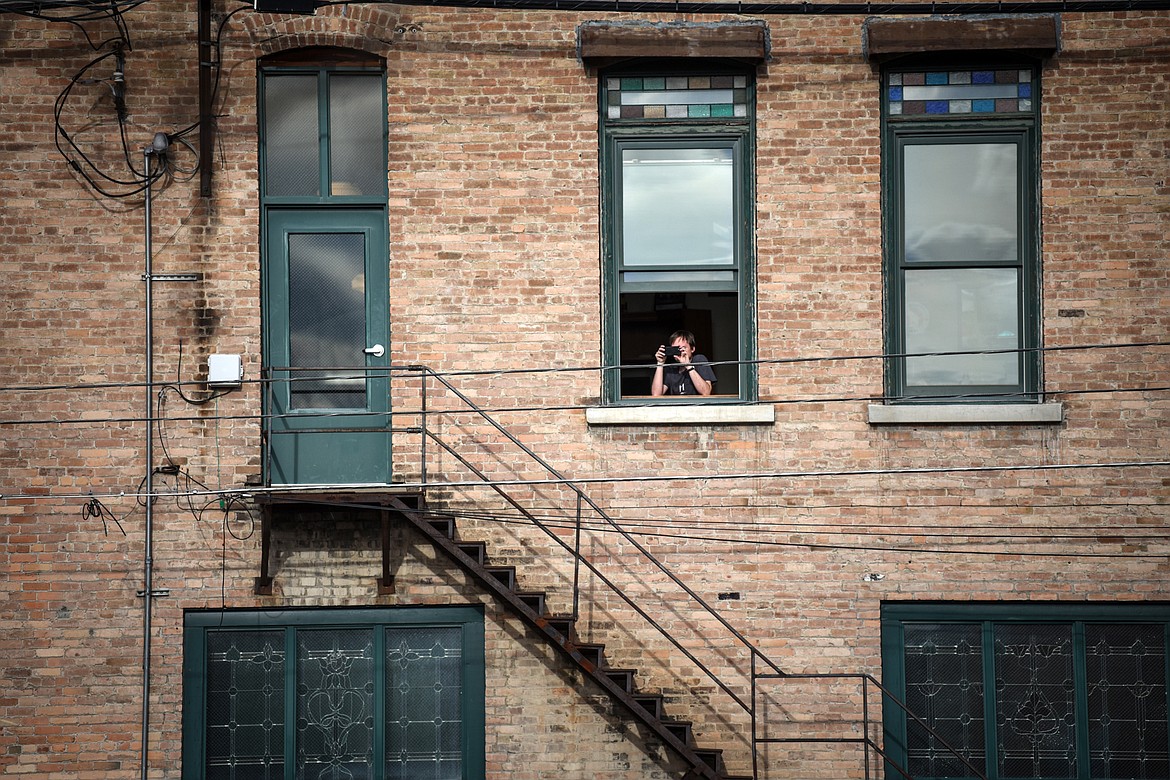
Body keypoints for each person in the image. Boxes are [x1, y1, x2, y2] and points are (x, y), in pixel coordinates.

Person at [651, 330, 717, 396]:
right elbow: (656, 395)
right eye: (676, 349)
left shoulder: (698, 360)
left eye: (683, 348)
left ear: (692, 349)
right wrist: (660, 363)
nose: (680, 352)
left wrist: (688, 366)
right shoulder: (671, 369)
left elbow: (706, 392)